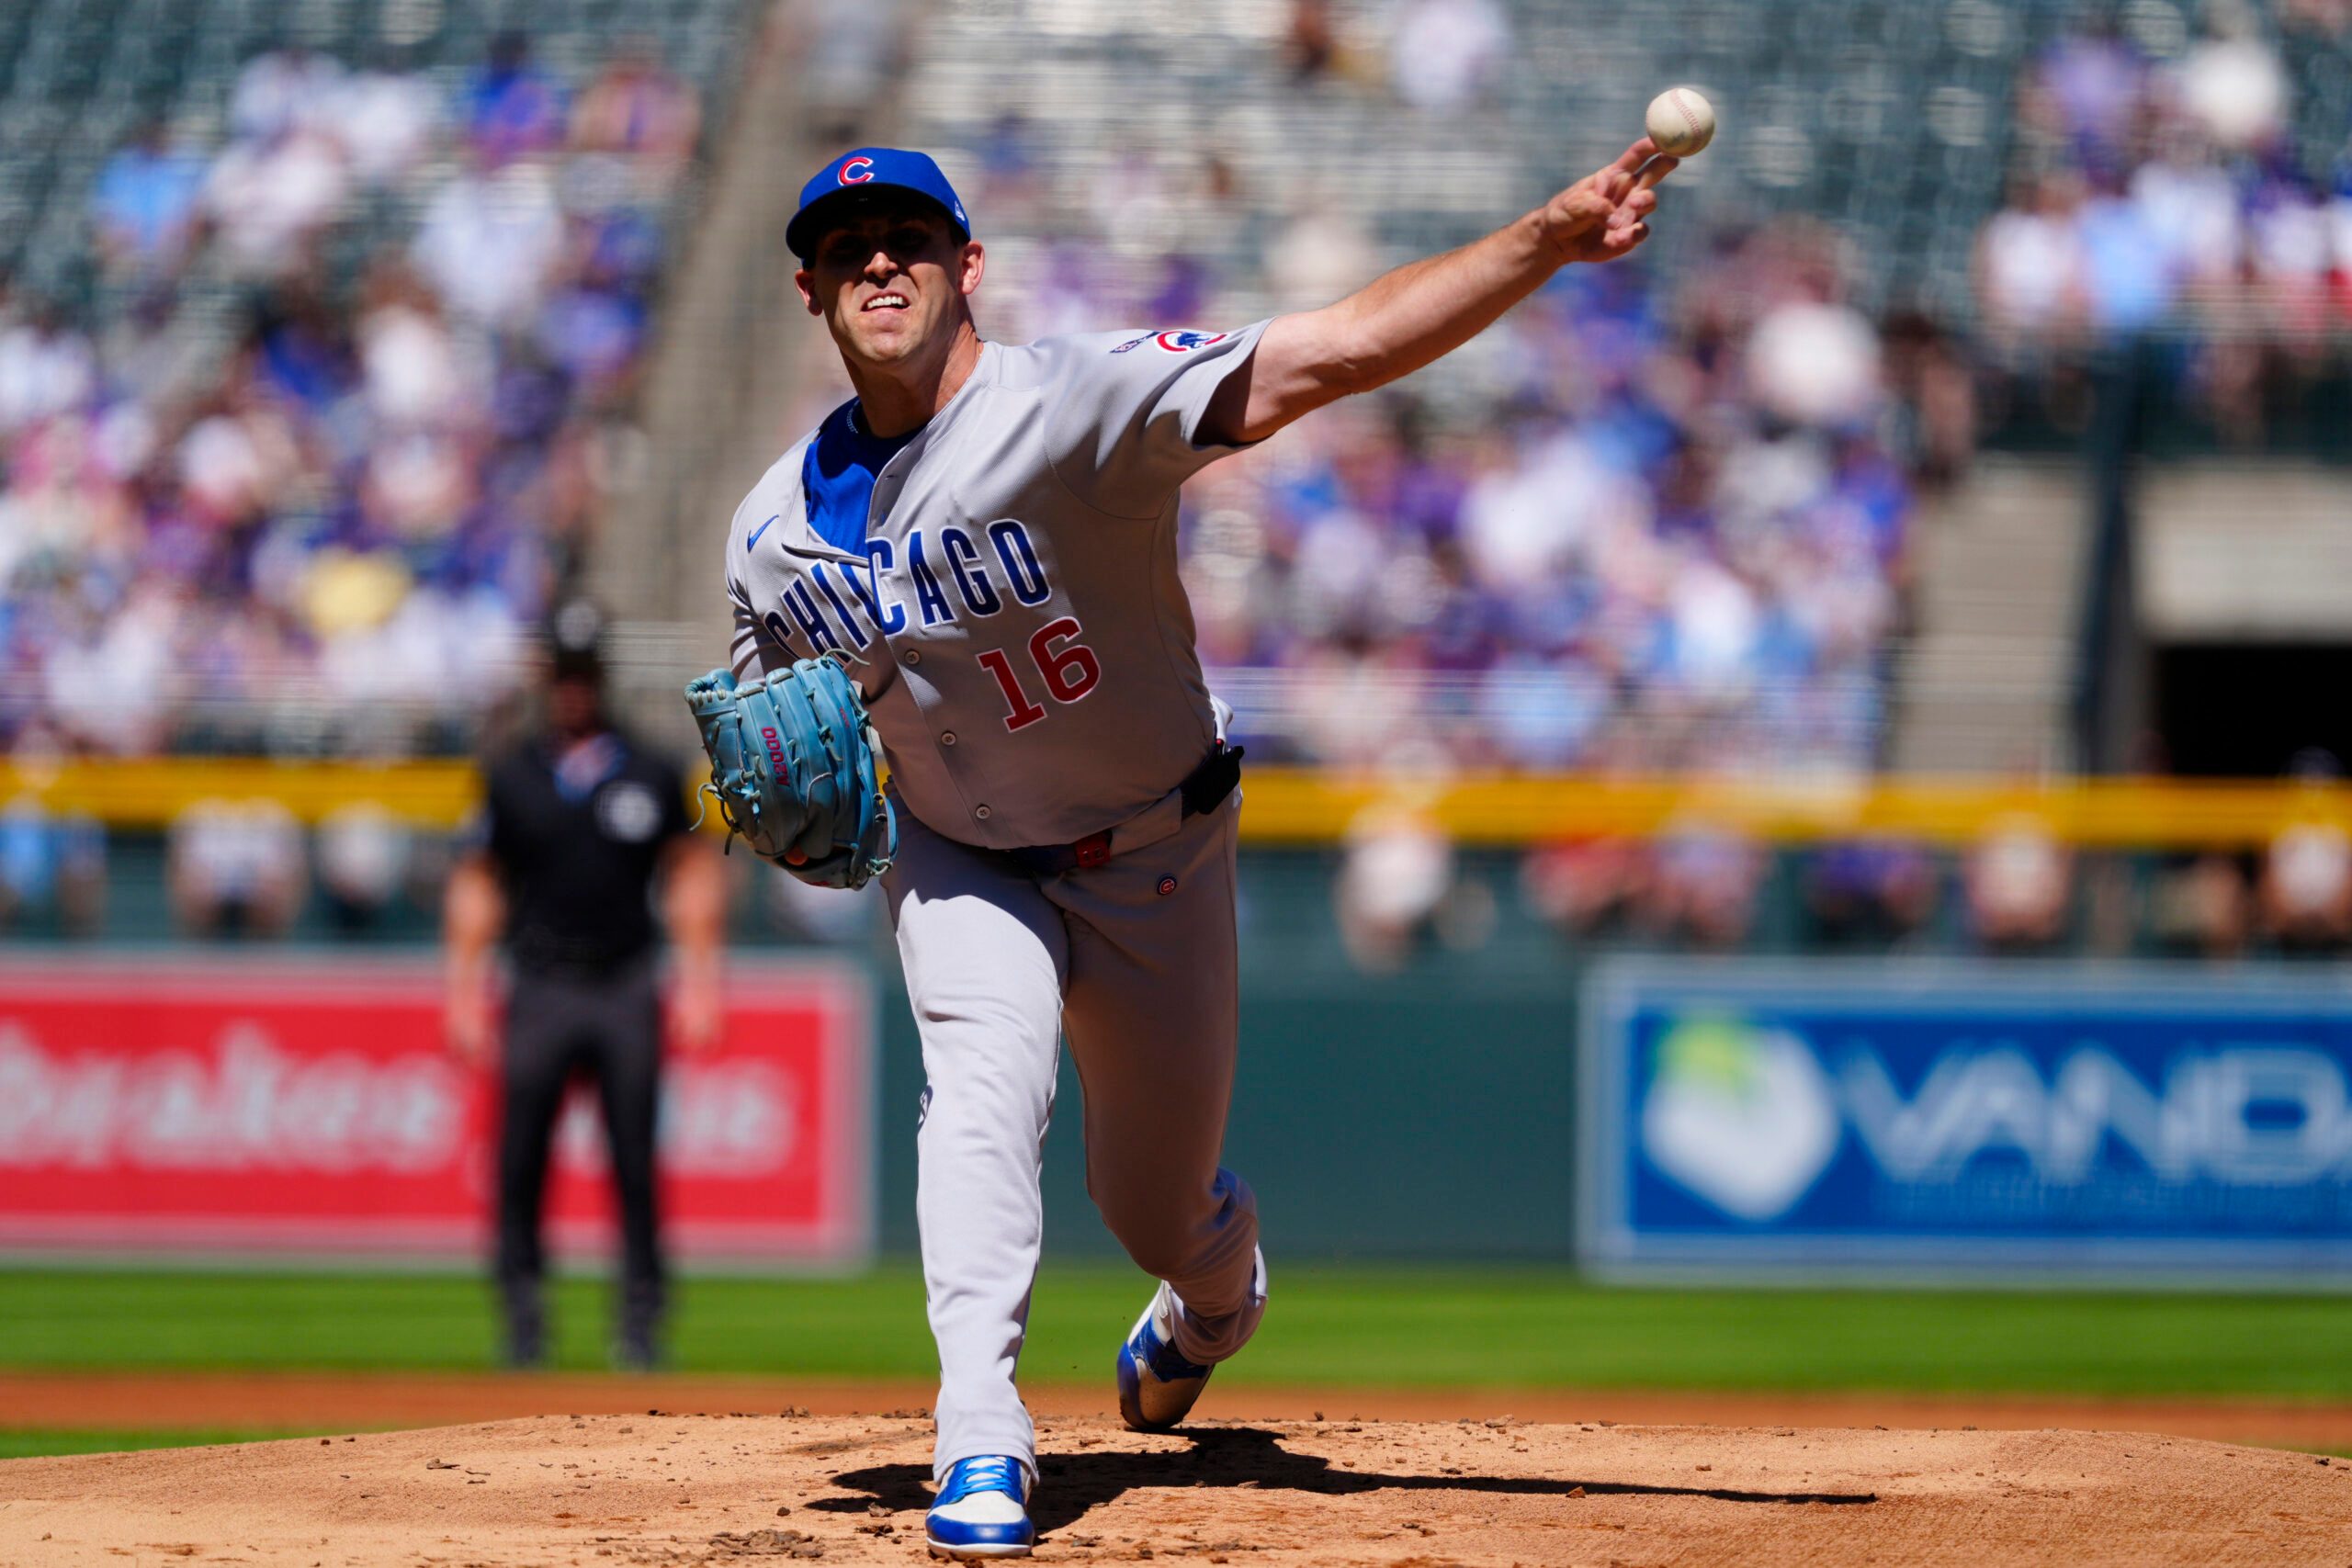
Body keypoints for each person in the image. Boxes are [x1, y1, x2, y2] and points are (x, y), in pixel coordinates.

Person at [722, 141, 1670, 1557]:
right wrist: (779, 817)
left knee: (1151, 1200)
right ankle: (979, 1432)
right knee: (981, 1090)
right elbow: (763, 742)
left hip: (1152, 849)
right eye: (846, 241)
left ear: (966, 264)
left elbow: (1332, 352)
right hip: (960, 854)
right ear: (807, 286)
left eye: (908, 234)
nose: (878, 259)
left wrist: (1541, 237)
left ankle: (1214, 1292)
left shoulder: (1073, 404)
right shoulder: (766, 534)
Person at [444, 600, 725, 1370]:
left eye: (584, 674)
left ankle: (640, 1321)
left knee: (634, 1158)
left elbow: (690, 872)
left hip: (626, 980)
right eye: (563, 675)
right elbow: (478, 881)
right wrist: (464, 988)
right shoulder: (512, 771)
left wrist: (701, 980)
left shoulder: (648, 767)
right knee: (520, 1157)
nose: (574, 690)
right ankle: (523, 1317)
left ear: (601, 679)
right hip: (538, 980)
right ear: (548, 680)